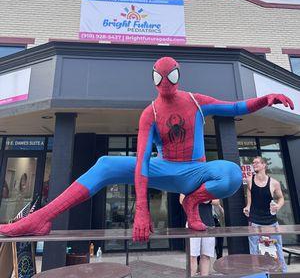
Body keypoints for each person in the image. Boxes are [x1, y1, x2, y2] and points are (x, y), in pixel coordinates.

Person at [0, 57, 294, 242]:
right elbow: (141, 162)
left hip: (195, 169)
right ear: (154, 79)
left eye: (171, 76)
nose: (166, 83)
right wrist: (142, 211)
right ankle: (41, 218)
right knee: (105, 164)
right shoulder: (149, 113)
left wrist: (265, 99)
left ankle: (191, 203)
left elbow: (234, 107)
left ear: (179, 75)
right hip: (164, 168)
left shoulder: (195, 100)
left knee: (230, 173)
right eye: (160, 77)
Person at [243, 156, 287, 272]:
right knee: (254, 249)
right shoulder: (249, 180)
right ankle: (257, 274)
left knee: (277, 248)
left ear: (264, 165)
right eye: (253, 163)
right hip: (255, 221)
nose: (254, 164)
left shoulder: (274, 183)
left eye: (257, 162)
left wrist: (278, 206)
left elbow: (281, 198)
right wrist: (248, 206)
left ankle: (283, 272)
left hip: (271, 221)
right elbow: (249, 193)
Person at [180, 194, 218, 276]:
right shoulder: (189, 183)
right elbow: (181, 200)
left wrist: (208, 200)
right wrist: (196, 198)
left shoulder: (209, 184)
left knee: (206, 255)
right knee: (192, 256)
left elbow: (217, 201)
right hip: (192, 225)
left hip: (209, 224)